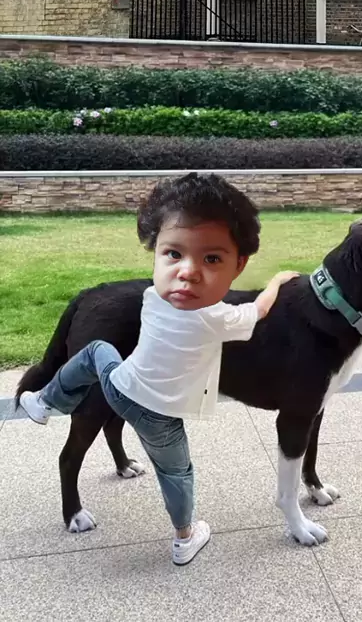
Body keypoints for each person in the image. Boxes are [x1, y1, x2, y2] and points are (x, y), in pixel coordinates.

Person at [20, 173, 299, 566]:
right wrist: (279, 280)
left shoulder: (153, 295)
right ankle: (185, 538)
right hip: (159, 418)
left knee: (97, 352)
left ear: (238, 265)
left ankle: (46, 401)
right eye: (174, 255)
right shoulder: (217, 318)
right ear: (155, 253)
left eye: (211, 258)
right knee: (177, 473)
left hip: (121, 387)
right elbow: (260, 309)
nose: (188, 271)